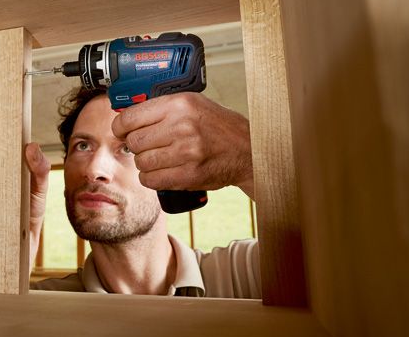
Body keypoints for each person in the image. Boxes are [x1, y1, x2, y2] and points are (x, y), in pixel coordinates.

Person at [26, 87, 260, 298]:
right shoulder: (38, 301)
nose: (94, 169)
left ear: (174, 169)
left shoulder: (246, 274)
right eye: (83, 146)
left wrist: (249, 159)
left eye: (128, 148)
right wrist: (8, 261)